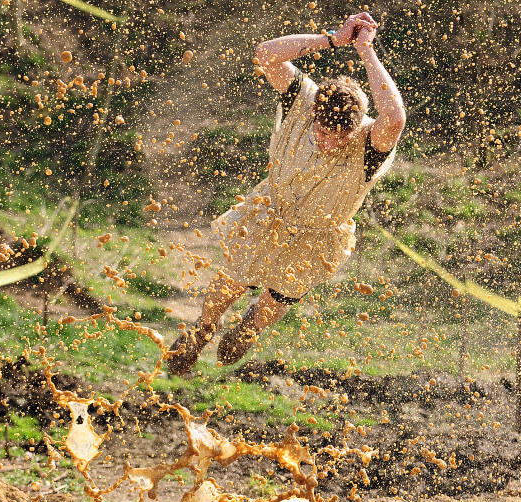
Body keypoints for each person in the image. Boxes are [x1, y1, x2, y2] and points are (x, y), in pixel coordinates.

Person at [166, 12, 406, 375]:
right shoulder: (303, 100)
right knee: (233, 277)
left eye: (340, 136)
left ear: (357, 127)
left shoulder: (371, 143)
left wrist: (367, 52)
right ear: (314, 117)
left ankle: (248, 330)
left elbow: (395, 118)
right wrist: (333, 39)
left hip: (318, 235)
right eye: (324, 133)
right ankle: (201, 331)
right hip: (270, 210)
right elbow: (266, 54)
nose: (330, 143)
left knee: (279, 297)